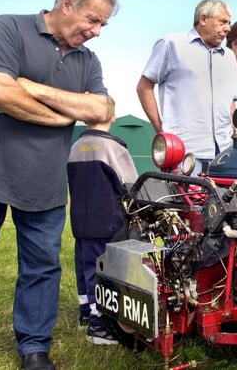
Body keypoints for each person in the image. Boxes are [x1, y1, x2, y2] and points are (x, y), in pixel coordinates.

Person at [0, 0, 118, 370]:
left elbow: (100, 111)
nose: (97, 31)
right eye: (93, 19)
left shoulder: (88, 60)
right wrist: (62, 114)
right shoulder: (7, 27)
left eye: (103, 24)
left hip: (45, 181)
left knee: (42, 268)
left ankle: (34, 348)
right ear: (67, 4)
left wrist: (30, 88)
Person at [136, 0, 237, 175]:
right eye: (223, 22)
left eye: (229, 23)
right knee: (185, 203)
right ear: (203, 19)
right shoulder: (170, 44)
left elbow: (232, 102)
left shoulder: (229, 57)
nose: (228, 28)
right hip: (184, 154)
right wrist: (162, 130)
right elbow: (144, 87)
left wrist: (232, 136)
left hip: (224, 155)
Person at [67, 95, 138, 345]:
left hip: (80, 222)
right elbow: (131, 185)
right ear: (114, 118)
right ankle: (100, 326)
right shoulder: (114, 148)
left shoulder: (75, 147)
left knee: (85, 268)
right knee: (105, 272)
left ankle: (86, 314)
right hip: (108, 224)